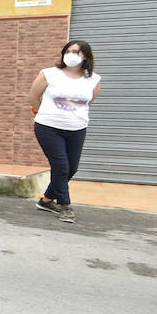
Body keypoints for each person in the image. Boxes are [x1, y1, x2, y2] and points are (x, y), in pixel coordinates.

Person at [28, 39, 102, 225]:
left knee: (72, 168)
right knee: (61, 167)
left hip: (77, 128)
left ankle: (46, 200)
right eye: (68, 51)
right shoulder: (50, 74)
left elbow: (89, 102)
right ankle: (65, 206)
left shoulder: (93, 80)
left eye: (77, 52)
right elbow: (33, 96)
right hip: (48, 127)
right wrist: (44, 113)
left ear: (86, 56)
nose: (71, 55)